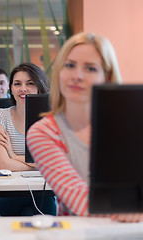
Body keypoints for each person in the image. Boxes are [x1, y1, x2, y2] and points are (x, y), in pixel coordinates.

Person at [26, 32, 143, 222]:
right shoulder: (44, 133)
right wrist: (132, 212)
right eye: (70, 65)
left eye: (90, 68)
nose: (77, 76)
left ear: (107, 76)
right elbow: (81, 202)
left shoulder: (131, 124)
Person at [0, 62, 56, 216]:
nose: (23, 89)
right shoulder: (0, 116)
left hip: (42, 192)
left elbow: (51, 163)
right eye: (17, 84)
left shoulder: (50, 118)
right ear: (11, 88)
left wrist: (14, 156)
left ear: (40, 87)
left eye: (30, 83)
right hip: (9, 191)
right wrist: (38, 164)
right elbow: (4, 164)